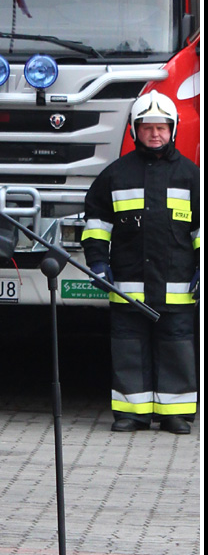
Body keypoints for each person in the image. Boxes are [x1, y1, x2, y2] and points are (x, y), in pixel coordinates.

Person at [82, 90, 200, 434]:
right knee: (128, 348)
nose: (155, 134)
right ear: (134, 130)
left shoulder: (192, 176)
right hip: (127, 285)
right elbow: (96, 226)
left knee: (176, 347)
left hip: (177, 286)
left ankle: (174, 414)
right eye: (147, 127)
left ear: (173, 129)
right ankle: (131, 413)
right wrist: (98, 264)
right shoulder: (114, 176)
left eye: (162, 127)